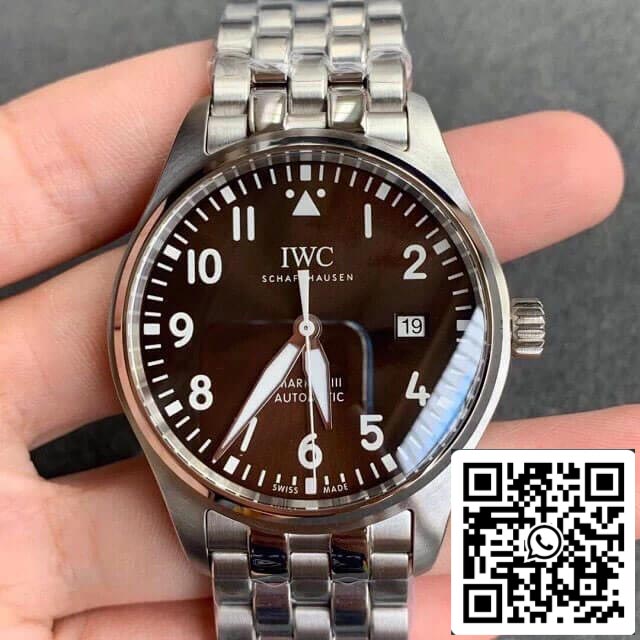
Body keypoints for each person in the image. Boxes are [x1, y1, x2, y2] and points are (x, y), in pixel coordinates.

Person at [0, 41, 635, 640]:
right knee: (561, 557)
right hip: (292, 486)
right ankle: (579, 582)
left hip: (365, 486)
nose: (305, 326)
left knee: (567, 564)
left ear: (510, 328)